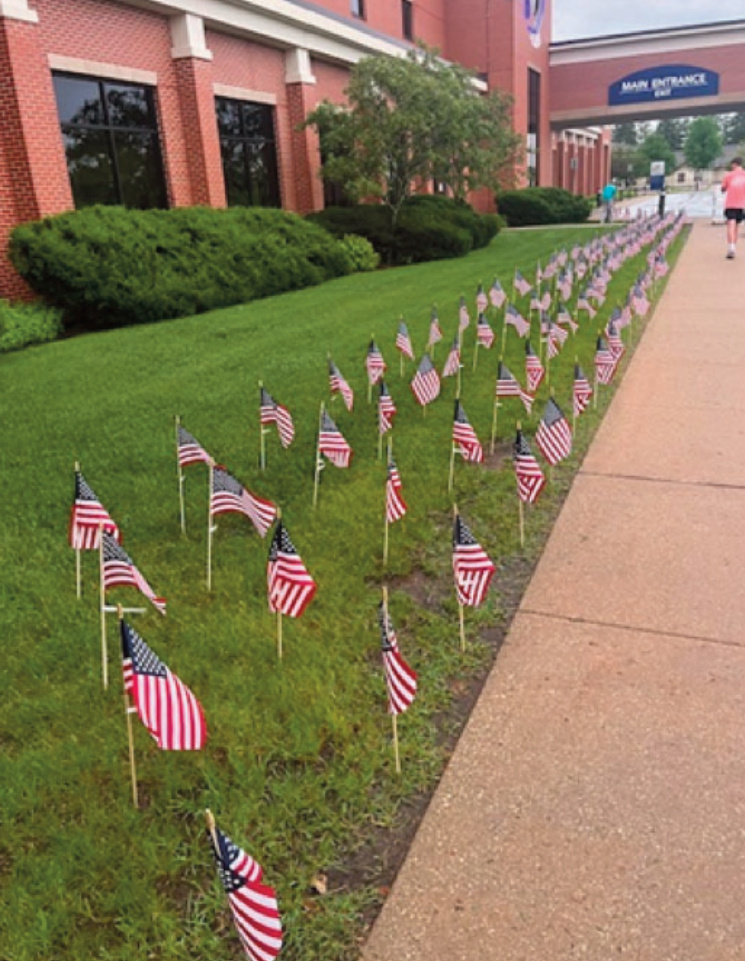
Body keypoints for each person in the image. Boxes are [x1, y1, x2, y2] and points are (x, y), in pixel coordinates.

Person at [720, 156, 745, 259]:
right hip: (742, 204)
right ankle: (734, 246)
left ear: (734, 164)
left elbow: (723, 189)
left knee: (731, 224)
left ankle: (731, 247)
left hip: (731, 203)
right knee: (737, 227)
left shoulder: (729, 175)